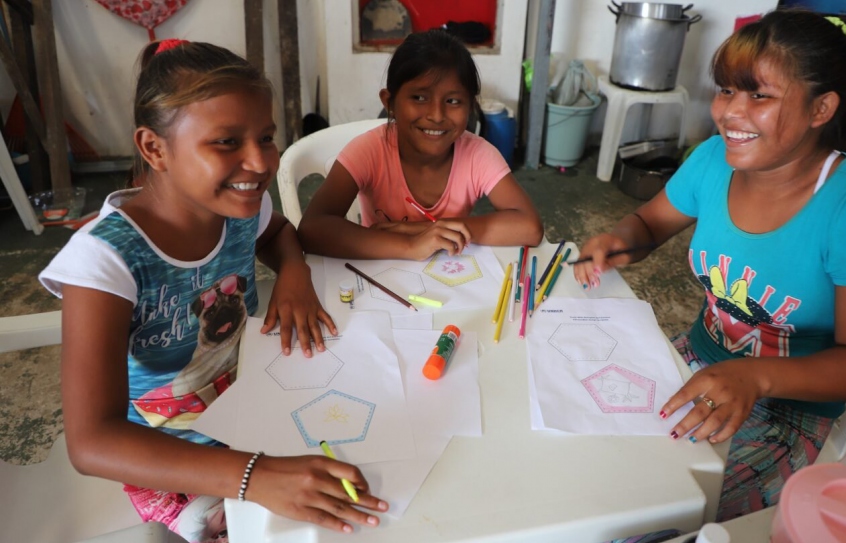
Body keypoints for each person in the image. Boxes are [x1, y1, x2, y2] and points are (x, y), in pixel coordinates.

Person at [39, 40, 387, 541]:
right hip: (167, 460)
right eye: (227, 142)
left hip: (246, 408)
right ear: (154, 148)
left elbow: (279, 233)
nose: (260, 162)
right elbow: (92, 442)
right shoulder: (105, 259)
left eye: (265, 137)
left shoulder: (237, 206)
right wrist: (254, 476)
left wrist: (294, 272)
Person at [576, 10, 846, 521]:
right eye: (727, 90)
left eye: (759, 96)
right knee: (585, 467)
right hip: (693, 363)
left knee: (651, 512)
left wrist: (756, 378)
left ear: (821, 108)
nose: (730, 112)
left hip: (787, 411)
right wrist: (615, 241)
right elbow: (648, 225)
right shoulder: (712, 160)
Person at [297, 29, 543, 261]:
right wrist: (412, 245)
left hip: (451, 279)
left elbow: (529, 227)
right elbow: (312, 229)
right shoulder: (370, 150)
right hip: (380, 276)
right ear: (390, 102)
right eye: (419, 98)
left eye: (453, 101)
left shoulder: (478, 155)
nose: (436, 115)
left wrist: (425, 230)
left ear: (470, 106)